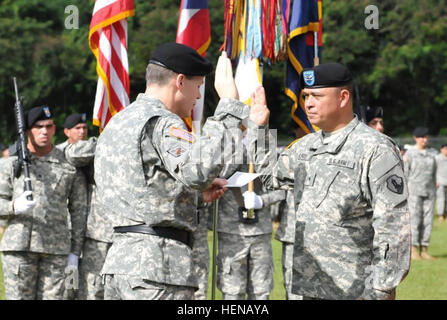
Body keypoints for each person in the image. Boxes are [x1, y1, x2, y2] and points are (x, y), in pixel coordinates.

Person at [94, 43, 270, 300]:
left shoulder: (118, 122)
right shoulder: (161, 121)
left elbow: (141, 189)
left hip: (121, 263)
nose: (198, 96)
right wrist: (229, 106)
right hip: (157, 267)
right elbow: (197, 172)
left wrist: (194, 197)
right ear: (179, 81)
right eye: (198, 86)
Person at [247, 63, 411, 300]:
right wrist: (258, 127)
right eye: (305, 96)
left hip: (356, 291)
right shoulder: (306, 147)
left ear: (343, 97)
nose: (308, 104)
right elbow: (270, 175)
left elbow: (394, 228)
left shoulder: (375, 149)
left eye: (317, 96)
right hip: (311, 289)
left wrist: (381, 288)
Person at [0, 106, 88, 300]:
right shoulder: (11, 164)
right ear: (27, 131)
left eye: (48, 126)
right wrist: (13, 206)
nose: (44, 131)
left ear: (55, 129)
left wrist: (75, 252)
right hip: (19, 249)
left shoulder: (68, 164)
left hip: (56, 251)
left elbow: (79, 212)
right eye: (38, 126)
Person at [215, 158, 285, 300]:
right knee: (232, 291)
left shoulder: (266, 154)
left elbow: (284, 189)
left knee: (261, 291)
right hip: (232, 232)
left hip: (260, 233)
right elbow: (210, 179)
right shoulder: (223, 150)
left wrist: (262, 201)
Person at [404, 127, 437, 260]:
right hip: (414, 191)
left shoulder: (433, 153)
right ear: (415, 138)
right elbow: (405, 173)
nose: (424, 139)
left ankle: (424, 249)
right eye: (421, 137)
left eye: (425, 137)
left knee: (428, 220)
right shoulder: (410, 153)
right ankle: (414, 250)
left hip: (429, 190)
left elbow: (435, 172)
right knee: (415, 220)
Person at [436, 144, 447, 222]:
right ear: (441, 150)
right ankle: (441, 214)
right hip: (440, 182)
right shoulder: (437, 158)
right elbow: (434, 170)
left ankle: (446, 214)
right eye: (445, 149)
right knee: (441, 199)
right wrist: (436, 181)